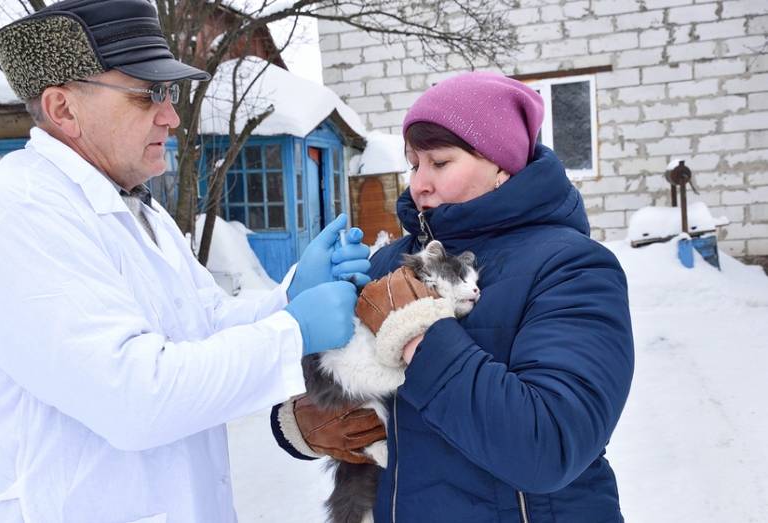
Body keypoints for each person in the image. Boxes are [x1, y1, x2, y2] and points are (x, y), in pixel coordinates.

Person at [0, 1, 372, 522]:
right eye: (147, 94)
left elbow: (202, 329)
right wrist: (291, 332)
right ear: (63, 109)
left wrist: (290, 298)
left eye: (168, 93)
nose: (169, 115)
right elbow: (133, 396)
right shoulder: (22, 214)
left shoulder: (135, 207)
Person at [272, 71, 635, 522]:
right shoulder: (391, 264)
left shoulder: (572, 269)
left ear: (502, 165)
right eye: (414, 164)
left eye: (440, 163)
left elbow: (550, 445)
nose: (419, 184)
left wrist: (417, 335)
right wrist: (304, 415)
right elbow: (338, 393)